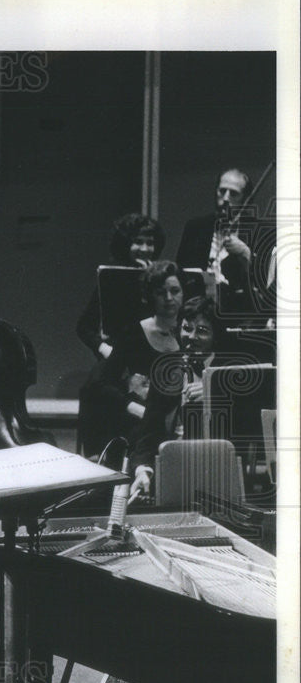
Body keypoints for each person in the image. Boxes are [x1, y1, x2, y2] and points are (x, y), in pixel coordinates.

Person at [127, 296, 231, 502]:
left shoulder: (229, 372)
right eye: (186, 328)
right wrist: (142, 470)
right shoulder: (166, 368)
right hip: (173, 462)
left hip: (216, 467)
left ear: (216, 336)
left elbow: (245, 428)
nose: (191, 337)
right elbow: (148, 433)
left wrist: (213, 391)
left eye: (201, 331)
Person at [78, 261, 183, 457]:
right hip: (140, 420)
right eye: (161, 292)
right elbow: (101, 383)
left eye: (175, 291)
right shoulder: (134, 334)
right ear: (151, 296)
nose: (169, 298)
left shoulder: (192, 333)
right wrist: (134, 408)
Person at [76, 213, 165, 360]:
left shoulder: (163, 280)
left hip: (153, 355)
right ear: (125, 244)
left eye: (150, 243)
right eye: (138, 242)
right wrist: (105, 349)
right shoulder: (112, 279)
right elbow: (84, 327)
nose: (144, 249)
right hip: (118, 356)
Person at [175, 168, 259, 311]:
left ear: (245, 200)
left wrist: (245, 253)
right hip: (198, 307)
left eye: (233, 194)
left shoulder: (257, 231)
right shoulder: (196, 227)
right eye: (222, 191)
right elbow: (180, 270)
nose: (226, 198)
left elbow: (265, 281)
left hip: (238, 310)